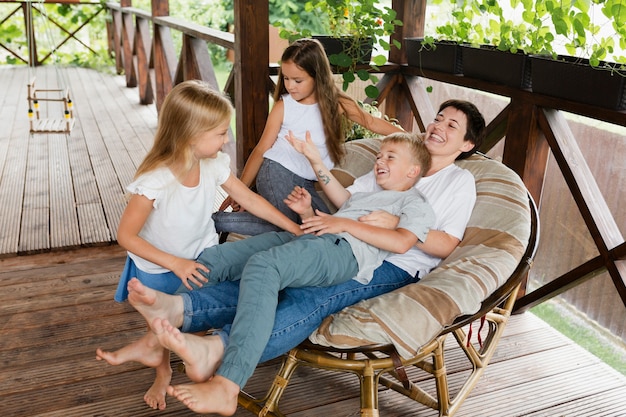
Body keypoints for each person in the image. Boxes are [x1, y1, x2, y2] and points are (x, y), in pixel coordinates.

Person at [99, 99, 486, 415]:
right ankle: (182, 311)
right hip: (335, 237)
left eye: (452, 126)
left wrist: (385, 223)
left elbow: (442, 243)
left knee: (301, 295)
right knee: (252, 268)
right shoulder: (391, 164)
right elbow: (349, 204)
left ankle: (219, 352)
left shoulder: (456, 183)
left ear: (466, 144)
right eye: (438, 117)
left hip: (387, 262)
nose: (439, 125)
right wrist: (313, 198)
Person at [95, 80, 302, 411]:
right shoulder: (156, 180)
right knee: (160, 324)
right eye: (220, 133)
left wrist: (293, 226)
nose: (226, 139)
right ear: (191, 135)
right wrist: (174, 263)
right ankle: (162, 373)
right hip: (159, 265)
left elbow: (246, 197)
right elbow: (127, 236)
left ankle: (194, 359)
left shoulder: (213, 164)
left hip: (201, 256)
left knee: (190, 313)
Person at [213, 38, 402, 236]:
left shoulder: (336, 103)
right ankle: (217, 221)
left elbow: (370, 122)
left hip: (305, 181)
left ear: (317, 76)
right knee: (289, 227)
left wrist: (406, 135)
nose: (290, 86)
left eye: (297, 80)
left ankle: (227, 223)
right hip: (276, 171)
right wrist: (241, 191)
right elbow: (262, 149)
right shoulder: (283, 107)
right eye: (285, 78)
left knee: (324, 227)